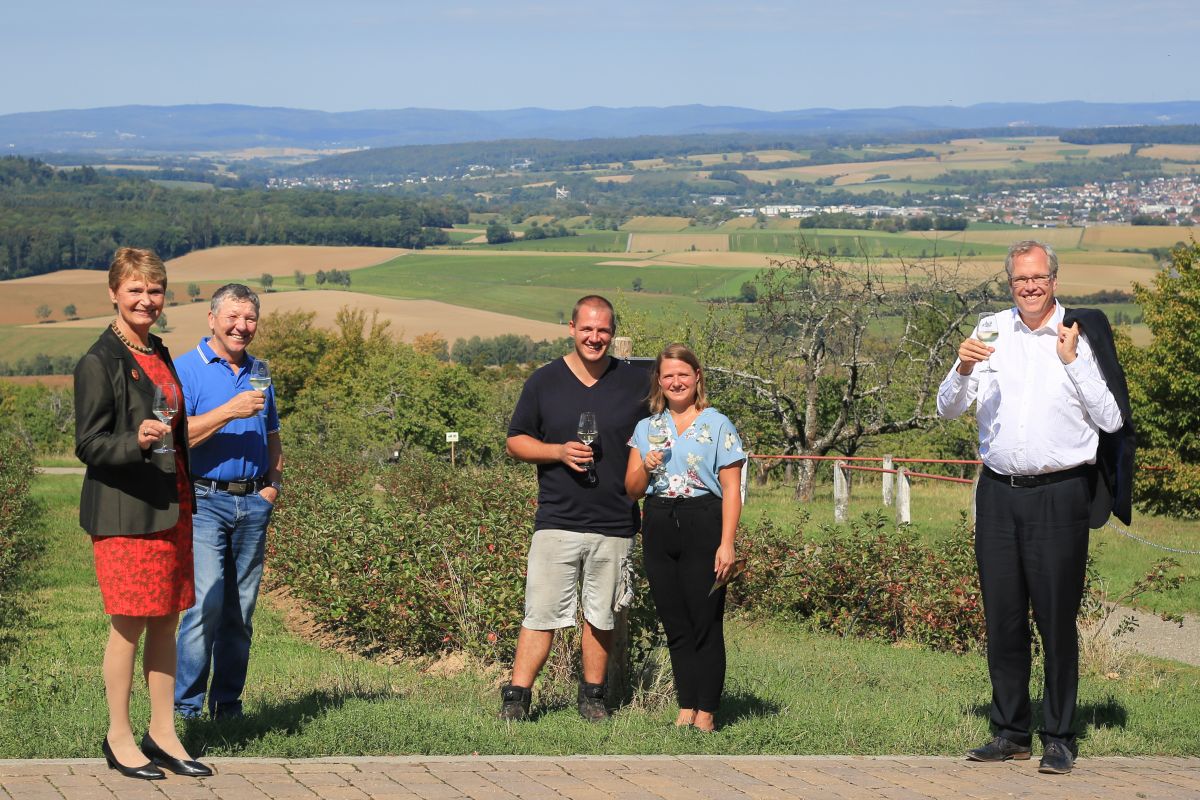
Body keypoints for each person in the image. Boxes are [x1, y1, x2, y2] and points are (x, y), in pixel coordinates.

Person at [937, 240, 1126, 775]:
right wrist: (962, 367)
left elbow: (1111, 420)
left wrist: (1073, 364)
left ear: (1054, 280)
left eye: (1038, 278)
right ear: (1010, 283)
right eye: (1020, 279)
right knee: (1002, 619)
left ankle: (1059, 735)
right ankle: (1010, 731)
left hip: (1060, 493)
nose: (1029, 287)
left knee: (1056, 620)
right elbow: (946, 408)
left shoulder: (1077, 335)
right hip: (997, 492)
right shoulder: (990, 329)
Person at [74, 247, 211, 780]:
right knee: (129, 625)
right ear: (114, 294)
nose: (146, 300)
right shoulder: (98, 360)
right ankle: (119, 736)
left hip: (172, 503)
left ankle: (163, 733)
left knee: (167, 623)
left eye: (154, 291)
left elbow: (175, 427)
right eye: (135, 290)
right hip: (127, 513)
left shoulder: (158, 350)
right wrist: (134, 440)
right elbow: (88, 444)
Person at [499, 295, 649, 722]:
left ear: (613, 333)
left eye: (603, 330)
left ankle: (593, 697)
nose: (595, 337)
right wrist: (557, 452)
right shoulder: (544, 381)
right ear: (571, 327)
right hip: (557, 519)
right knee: (541, 612)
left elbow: (675, 409)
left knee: (601, 615)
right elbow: (515, 441)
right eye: (587, 329)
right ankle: (517, 698)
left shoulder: (637, 382)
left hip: (616, 520)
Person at [172, 283, 283, 720]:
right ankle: (184, 711)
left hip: (253, 503)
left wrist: (272, 485)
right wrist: (229, 412)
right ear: (212, 319)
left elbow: (272, 433)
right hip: (204, 502)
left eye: (250, 318)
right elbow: (176, 438)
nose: (242, 327)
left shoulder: (259, 370)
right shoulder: (186, 370)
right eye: (233, 317)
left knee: (241, 614)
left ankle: (227, 707)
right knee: (204, 606)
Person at [625, 344, 745, 733]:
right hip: (659, 521)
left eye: (683, 374)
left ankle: (707, 710)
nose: (676, 382)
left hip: (703, 521)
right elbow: (632, 490)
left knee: (704, 621)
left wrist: (726, 543)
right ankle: (686, 704)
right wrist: (644, 465)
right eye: (668, 375)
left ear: (697, 378)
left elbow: (731, 489)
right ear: (659, 381)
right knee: (674, 622)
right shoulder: (647, 428)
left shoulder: (717, 425)